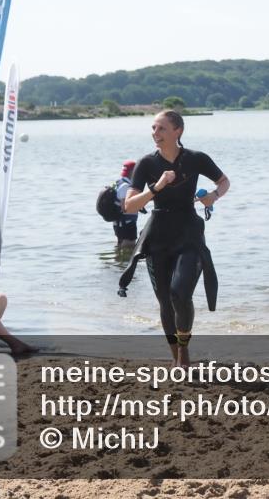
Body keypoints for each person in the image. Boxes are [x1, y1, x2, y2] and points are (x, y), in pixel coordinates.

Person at [123, 111, 230, 366]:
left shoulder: (196, 159)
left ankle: (183, 352)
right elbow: (129, 206)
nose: (155, 134)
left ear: (177, 131)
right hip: (157, 233)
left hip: (188, 232)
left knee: (179, 293)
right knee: (164, 299)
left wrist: (213, 196)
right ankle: (177, 358)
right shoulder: (146, 164)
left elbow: (224, 181)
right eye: (153, 128)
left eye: (161, 129)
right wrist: (156, 187)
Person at [113, 160, 139, 249]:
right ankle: (125, 262)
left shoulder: (119, 183)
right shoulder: (126, 186)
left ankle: (118, 262)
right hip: (126, 223)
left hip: (119, 223)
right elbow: (125, 208)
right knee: (129, 247)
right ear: (133, 172)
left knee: (120, 247)